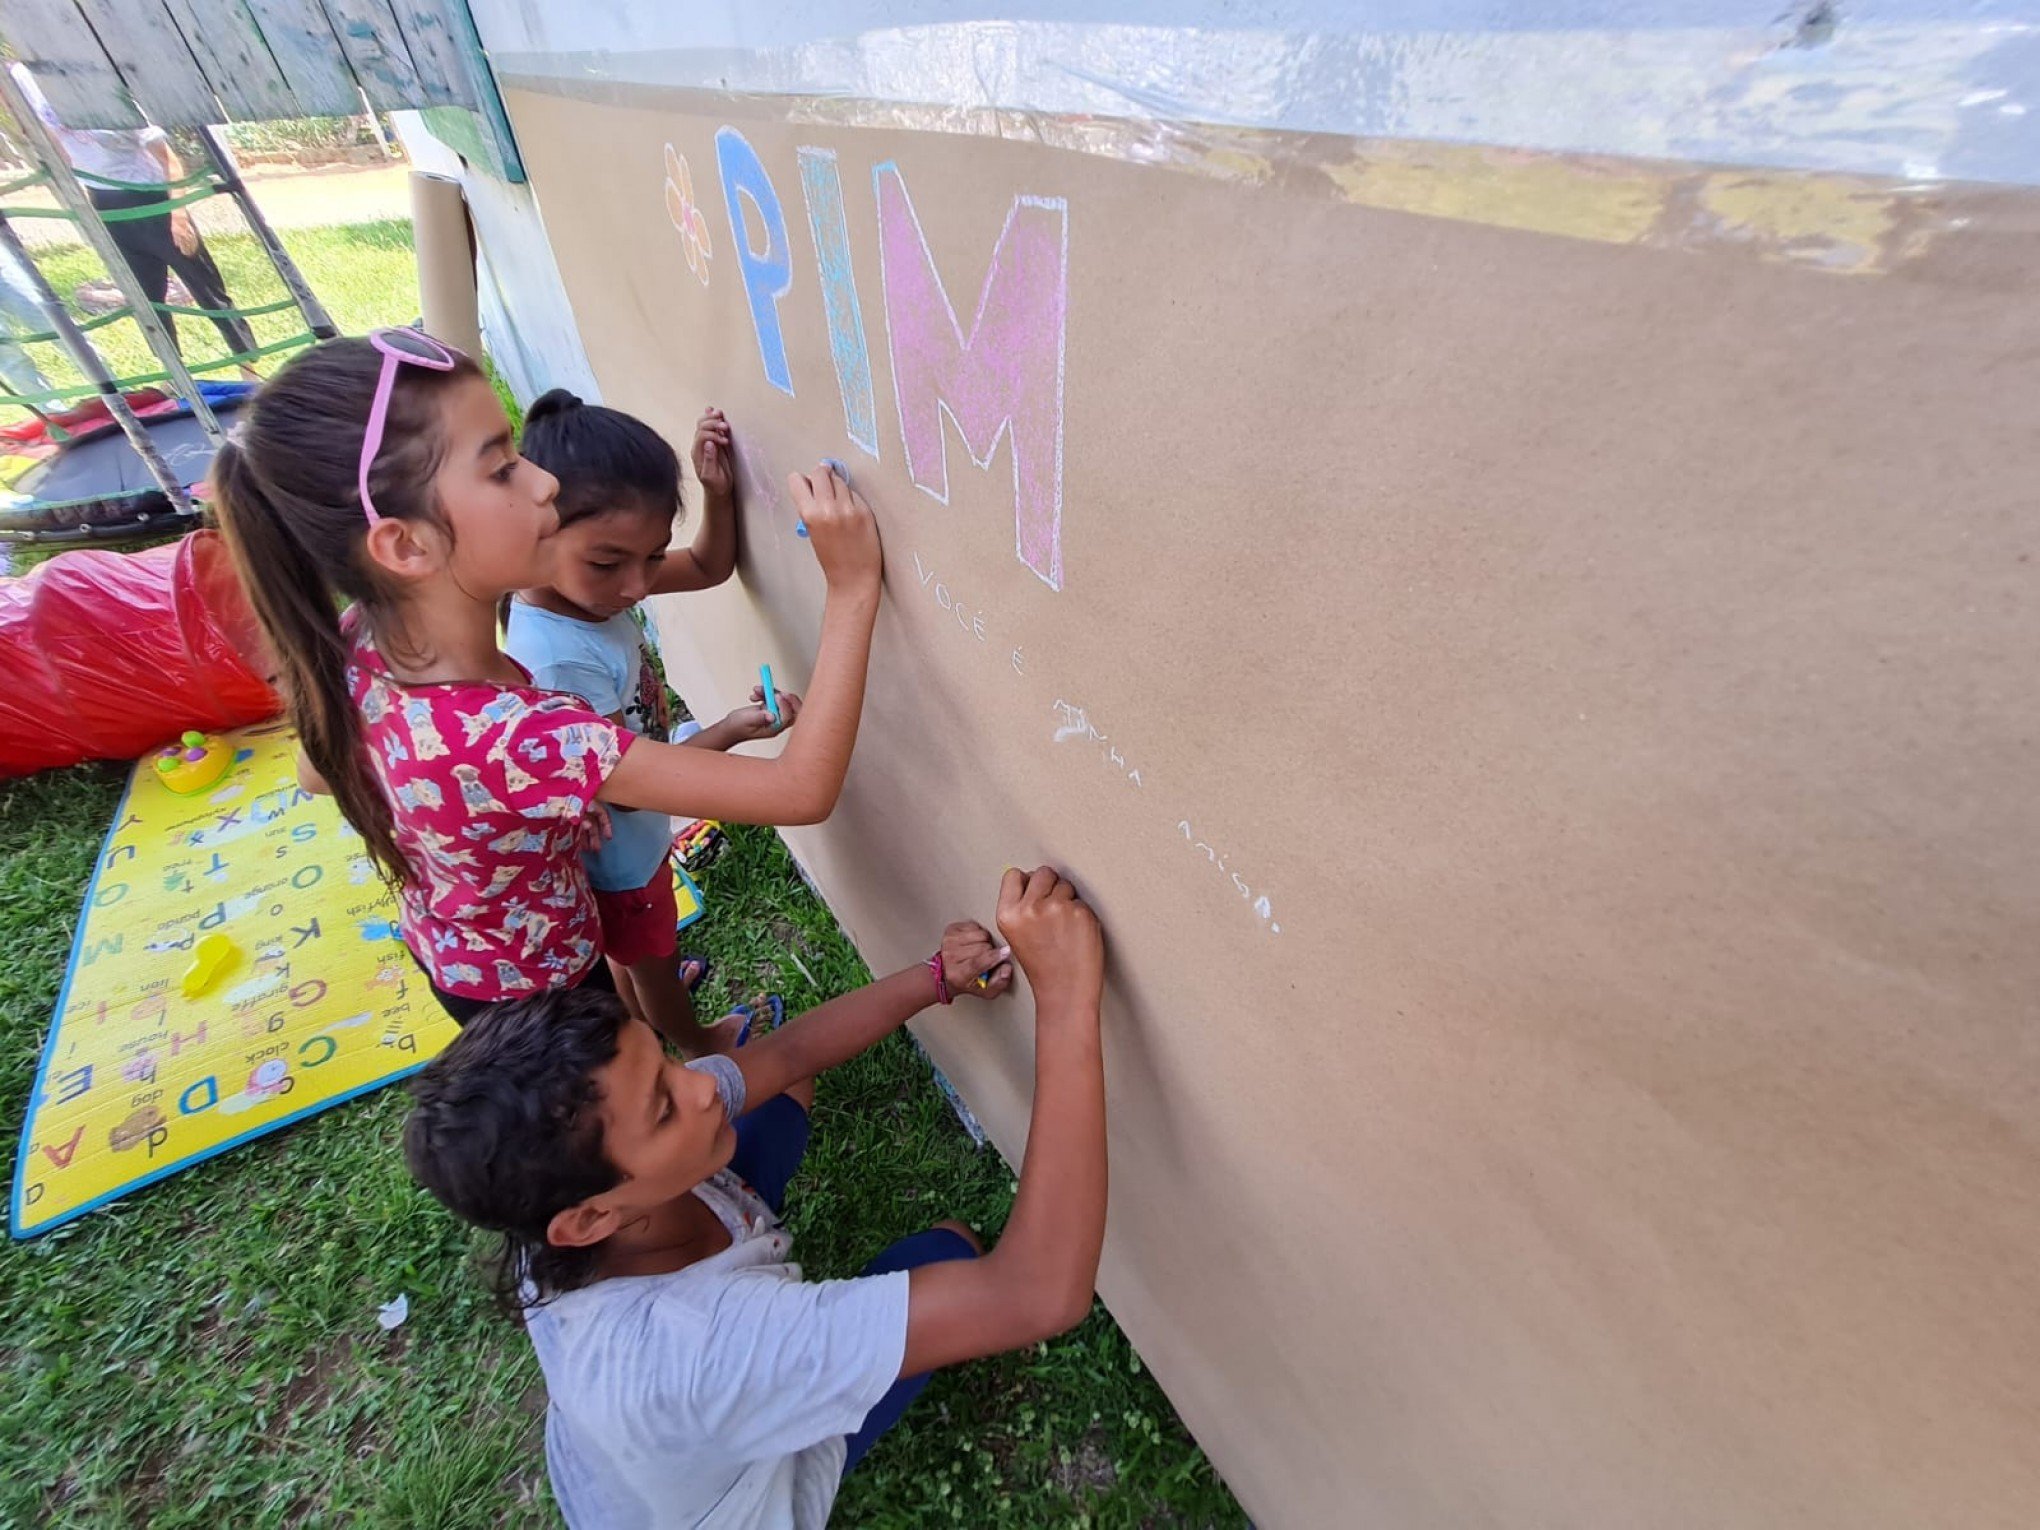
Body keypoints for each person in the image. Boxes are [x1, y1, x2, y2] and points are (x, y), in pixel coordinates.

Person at [209, 329, 883, 1025]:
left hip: (453, 952)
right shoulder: (524, 738)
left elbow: (315, 772)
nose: (545, 482)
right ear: (406, 544)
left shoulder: (364, 641)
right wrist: (853, 587)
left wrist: (496, 816)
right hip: (545, 993)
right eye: (501, 468)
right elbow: (800, 789)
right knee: (632, 1102)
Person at [403, 866, 1107, 1529]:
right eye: (664, 1108)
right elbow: (1038, 1294)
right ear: (588, 1219)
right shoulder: (709, 1348)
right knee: (952, 1247)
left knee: (781, 1086)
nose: (702, 1085)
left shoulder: (580, 1192)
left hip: (645, 1445)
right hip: (741, 1498)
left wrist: (936, 977)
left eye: (665, 1060)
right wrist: (1067, 999)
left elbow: (789, 1057)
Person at [506, 390, 795, 1054]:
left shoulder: (593, 586)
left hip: (631, 838)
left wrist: (715, 491)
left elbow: (706, 564)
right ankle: (694, 1042)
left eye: (651, 554)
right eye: (611, 562)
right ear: (536, 531)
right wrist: (730, 729)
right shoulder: (554, 660)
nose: (638, 586)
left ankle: (640, 1011)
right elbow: (628, 781)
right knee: (653, 953)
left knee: (636, 952)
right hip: (621, 859)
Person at [8, 63, 258, 372]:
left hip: (154, 200)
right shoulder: (36, 92)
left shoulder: (118, 107)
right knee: (147, 298)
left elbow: (171, 162)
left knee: (206, 287)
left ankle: (248, 368)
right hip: (107, 204)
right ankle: (174, 373)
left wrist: (178, 217)